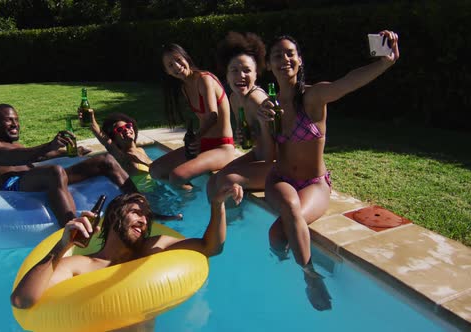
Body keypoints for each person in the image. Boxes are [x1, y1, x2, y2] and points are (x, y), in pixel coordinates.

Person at [260, 30, 400, 310]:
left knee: (276, 234)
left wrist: (385, 62)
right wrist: (264, 123)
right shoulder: (271, 105)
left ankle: (308, 276)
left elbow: (348, 82)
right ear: (268, 65)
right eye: (277, 55)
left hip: (314, 183)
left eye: (290, 53)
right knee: (288, 208)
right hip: (280, 179)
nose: (284, 59)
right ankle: (300, 270)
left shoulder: (313, 96)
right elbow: (269, 154)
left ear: (299, 60)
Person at [10, 188, 238, 312]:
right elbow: (23, 300)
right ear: (113, 217)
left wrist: (217, 206)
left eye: (147, 218)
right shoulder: (80, 266)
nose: (143, 221)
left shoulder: (153, 248)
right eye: (136, 213)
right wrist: (62, 246)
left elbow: (211, 248)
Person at [0, 103, 138, 227]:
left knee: (105, 160)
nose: (15, 124)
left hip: (35, 179)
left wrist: (65, 152)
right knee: (54, 171)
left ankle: (142, 205)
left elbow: (37, 155)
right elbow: (11, 157)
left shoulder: (16, 145)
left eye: (16, 120)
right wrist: (49, 145)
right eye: (8, 120)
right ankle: (74, 229)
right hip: (11, 185)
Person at [150, 43, 236, 190]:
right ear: (167, 71)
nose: (177, 66)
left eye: (178, 59)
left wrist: (197, 136)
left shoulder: (204, 79)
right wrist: (193, 139)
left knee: (177, 176)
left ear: (186, 57)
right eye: (170, 65)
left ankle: (190, 200)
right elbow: (202, 120)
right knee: (155, 170)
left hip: (222, 146)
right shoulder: (185, 87)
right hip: (203, 145)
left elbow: (212, 116)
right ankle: (190, 193)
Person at [207, 31, 276, 203]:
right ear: (227, 74)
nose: (241, 76)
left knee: (225, 181)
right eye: (234, 70)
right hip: (259, 154)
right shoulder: (234, 98)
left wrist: (260, 129)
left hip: (277, 164)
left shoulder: (257, 100)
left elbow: (271, 153)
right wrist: (245, 136)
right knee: (212, 181)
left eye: (247, 71)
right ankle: (218, 222)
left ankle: (230, 223)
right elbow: (250, 139)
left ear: (256, 74)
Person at [88, 110, 183, 220]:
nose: (126, 129)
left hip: (160, 189)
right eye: (120, 129)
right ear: (115, 139)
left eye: (128, 125)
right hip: (148, 197)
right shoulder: (123, 156)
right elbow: (104, 140)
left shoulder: (141, 150)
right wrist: (91, 119)